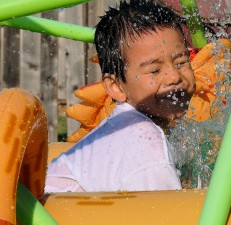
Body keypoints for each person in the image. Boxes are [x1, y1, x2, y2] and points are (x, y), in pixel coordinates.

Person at [45, 0, 196, 192]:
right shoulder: (145, 142)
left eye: (181, 62)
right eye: (155, 70)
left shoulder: (127, 125)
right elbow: (169, 214)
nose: (174, 77)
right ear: (116, 87)